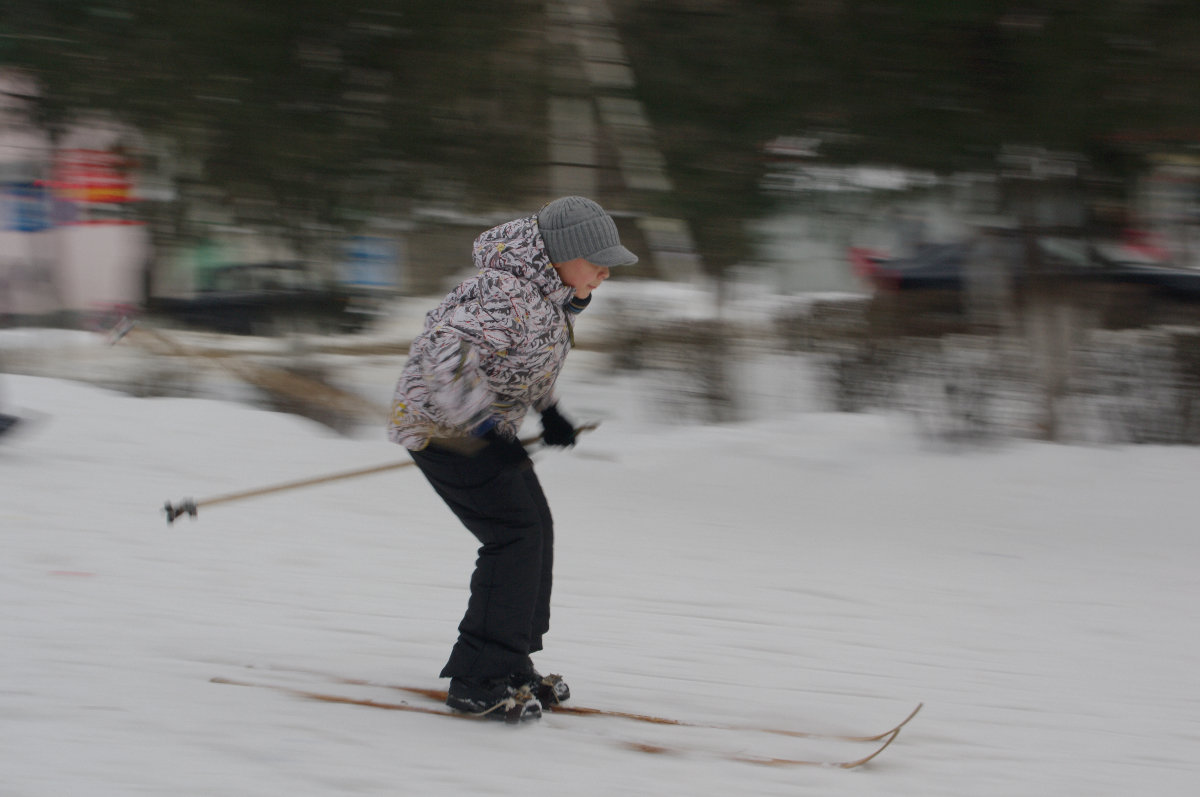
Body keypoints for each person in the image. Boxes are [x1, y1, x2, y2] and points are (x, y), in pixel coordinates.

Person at [387, 196, 637, 720]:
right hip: (444, 428)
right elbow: (444, 353)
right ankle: (478, 678)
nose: (605, 270)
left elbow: (527, 367)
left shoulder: (549, 298)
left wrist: (550, 411)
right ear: (561, 255)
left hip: (483, 429)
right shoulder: (506, 291)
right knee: (513, 536)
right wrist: (482, 425)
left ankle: (510, 660)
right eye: (596, 258)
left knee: (534, 529)